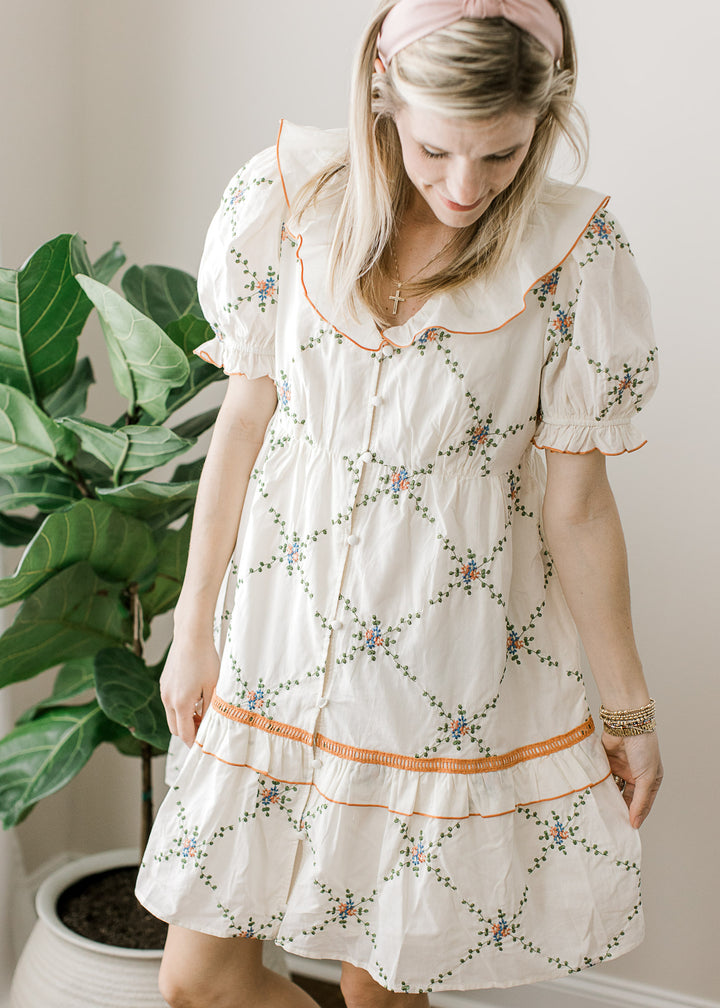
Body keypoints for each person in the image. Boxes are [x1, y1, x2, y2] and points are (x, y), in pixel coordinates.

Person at [135, 0, 663, 1003]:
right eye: (435, 151)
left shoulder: (575, 256)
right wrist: (192, 628)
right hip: (278, 645)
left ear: (545, 118)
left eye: (503, 154)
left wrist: (629, 707)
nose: (466, 187)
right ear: (382, 97)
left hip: (444, 669)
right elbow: (243, 427)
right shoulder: (286, 202)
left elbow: (579, 508)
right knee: (197, 984)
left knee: (380, 991)